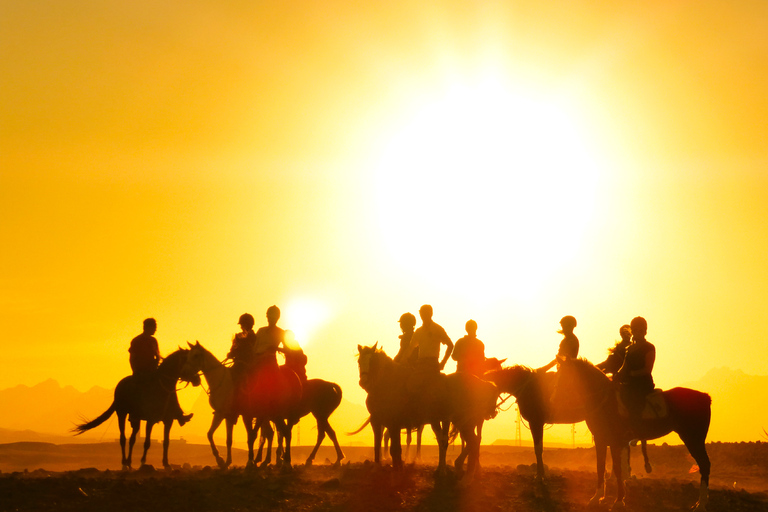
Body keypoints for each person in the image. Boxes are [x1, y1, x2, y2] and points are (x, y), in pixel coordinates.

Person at [129, 318, 192, 425]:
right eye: (154, 328)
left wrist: (159, 362)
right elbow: (132, 357)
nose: (155, 330)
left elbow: (157, 355)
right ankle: (134, 414)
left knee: (169, 387)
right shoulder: (136, 341)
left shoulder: (154, 341)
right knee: (137, 389)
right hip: (140, 371)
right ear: (148, 327)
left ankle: (178, 414)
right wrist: (135, 371)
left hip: (153, 370)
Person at [617, 316, 656, 422]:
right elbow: (624, 366)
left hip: (642, 385)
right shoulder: (628, 349)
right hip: (629, 384)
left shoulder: (649, 347)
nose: (637, 332)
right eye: (634, 329)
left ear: (644, 331)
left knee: (634, 404)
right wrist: (616, 375)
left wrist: (632, 374)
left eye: (640, 329)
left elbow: (647, 369)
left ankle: (638, 427)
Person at [403, 304, 453, 377]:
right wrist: (403, 360)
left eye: (425, 312)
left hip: (433, 364)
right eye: (422, 313)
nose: (423, 315)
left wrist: (443, 362)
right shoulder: (418, 331)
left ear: (431, 313)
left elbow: (450, 345)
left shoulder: (437, 329)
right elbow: (410, 348)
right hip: (420, 364)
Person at [253, 305, 288, 373]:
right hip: (257, 361)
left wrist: (276, 348)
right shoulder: (261, 330)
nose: (270, 318)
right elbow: (254, 347)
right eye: (269, 316)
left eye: (272, 316)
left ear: (277, 318)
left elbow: (287, 350)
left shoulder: (281, 332)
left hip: (270, 361)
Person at [227, 313, 258, 384]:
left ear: (247, 325)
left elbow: (248, 351)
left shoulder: (252, 337)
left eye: (242, 325)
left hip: (246, 366)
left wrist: (233, 353)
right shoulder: (239, 336)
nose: (241, 327)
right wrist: (230, 354)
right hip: (237, 364)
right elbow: (233, 349)